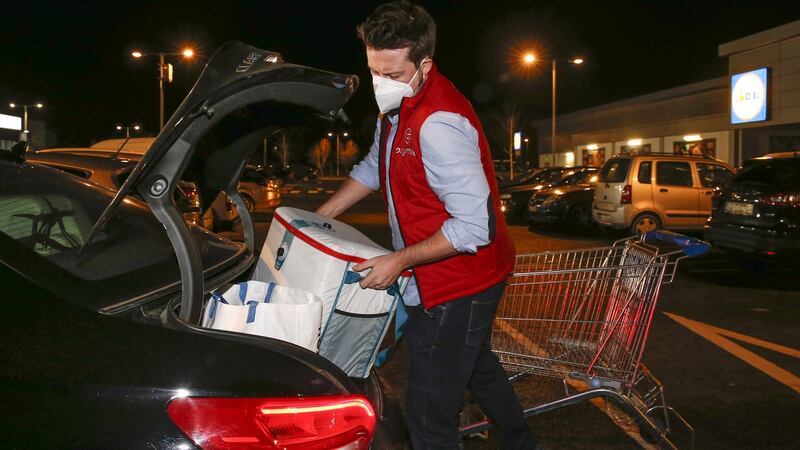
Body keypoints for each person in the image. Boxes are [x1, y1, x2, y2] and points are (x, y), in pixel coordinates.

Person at [316, 1, 538, 448]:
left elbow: (475, 226)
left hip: (459, 286)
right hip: (447, 276)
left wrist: (399, 260)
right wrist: (320, 216)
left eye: (392, 75)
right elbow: (375, 164)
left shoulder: (439, 123)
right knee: (478, 368)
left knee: (427, 411)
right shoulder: (397, 105)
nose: (380, 84)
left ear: (424, 64)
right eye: (373, 71)